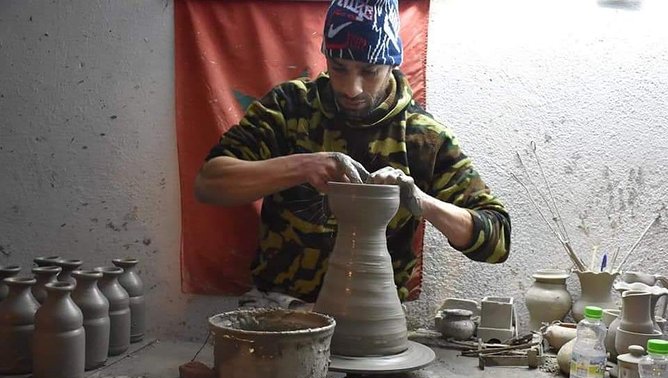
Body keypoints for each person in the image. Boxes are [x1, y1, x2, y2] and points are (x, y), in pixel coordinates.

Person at [194, 0, 511, 308]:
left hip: (371, 313)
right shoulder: (289, 108)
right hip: (281, 306)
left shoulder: (422, 137)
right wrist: (303, 165)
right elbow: (209, 183)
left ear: (391, 63)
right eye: (339, 68)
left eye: (369, 71)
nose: (351, 88)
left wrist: (420, 200)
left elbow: (497, 240)